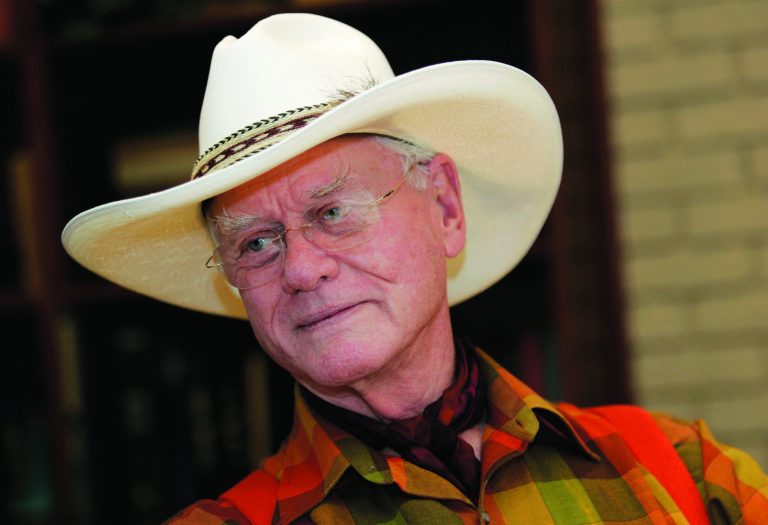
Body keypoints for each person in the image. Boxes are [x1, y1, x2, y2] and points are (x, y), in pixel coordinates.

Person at [62, 13, 767, 525]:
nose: (303, 268)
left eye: (334, 210)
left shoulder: (688, 476)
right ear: (234, 282)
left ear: (446, 208)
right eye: (256, 243)